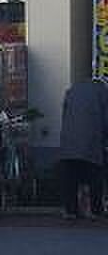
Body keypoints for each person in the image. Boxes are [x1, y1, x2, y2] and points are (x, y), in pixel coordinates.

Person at [60, 76, 108, 219]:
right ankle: (95, 210)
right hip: (90, 141)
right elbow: (106, 118)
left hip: (68, 142)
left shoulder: (72, 90)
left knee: (70, 177)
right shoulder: (102, 92)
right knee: (95, 175)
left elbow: (65, 114)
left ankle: (70, 211)